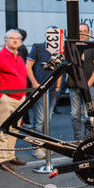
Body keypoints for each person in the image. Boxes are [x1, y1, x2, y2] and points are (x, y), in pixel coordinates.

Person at [0, 29, 28, 171]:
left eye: (18, 39)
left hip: (20, 98)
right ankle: (2, 159)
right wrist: (0, 97)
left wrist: (24, 96)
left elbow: (22, 77)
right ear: (5, 40)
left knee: (15, 129)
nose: (15, 41)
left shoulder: (19, 57)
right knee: (4, 130)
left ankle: (10, 156)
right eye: (12, 38)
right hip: (7, 98)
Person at [26, 27, 62, 159]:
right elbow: (28, 65)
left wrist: (58, 87)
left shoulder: (58, 51)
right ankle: (37, 148)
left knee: (48, 119)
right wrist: (35, 83)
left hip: (52, 91)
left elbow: (60, 70)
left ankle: (45, 145)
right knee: (39, 120)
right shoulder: (38, 47)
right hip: (40, 89)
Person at [66, 23, 94, 140]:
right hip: (74, 86)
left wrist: (89, 83)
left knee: (89, 114)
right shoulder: (71, 47)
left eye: (84, 31)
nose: (82, 33)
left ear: (88, 33)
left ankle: (89, 138)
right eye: (80, 31)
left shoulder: (92, 47)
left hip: (88, 87)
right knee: (75, 114)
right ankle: (77, 139)